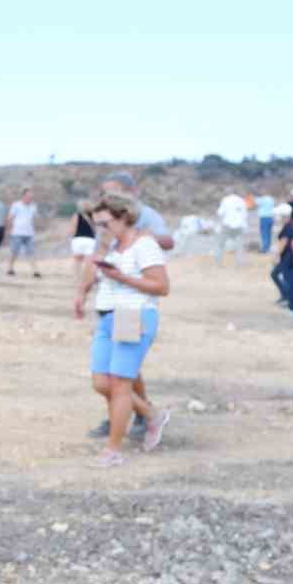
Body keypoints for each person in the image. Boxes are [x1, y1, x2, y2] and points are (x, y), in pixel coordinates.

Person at [73, 194, 172, 468]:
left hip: (133, 314)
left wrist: (123, 277)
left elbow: (161, 287)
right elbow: (92, 273)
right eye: (97, 225)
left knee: (120, 385)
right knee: (101, 383)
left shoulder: (145, 245)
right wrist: (82, 292)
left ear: (124, 217)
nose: (100, 230)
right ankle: (151, 414)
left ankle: (112, 451)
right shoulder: (111, 247)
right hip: (107, 316)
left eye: (105, 223)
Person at [270, 205, 293, 313]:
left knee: (284, 278)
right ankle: (287, 296)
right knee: (282, 277)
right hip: (290, 257)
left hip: (287, 258)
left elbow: (284, 242)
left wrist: (276, 256)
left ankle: (288, 298)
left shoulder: (289, 227)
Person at [6, 188, 40, 278]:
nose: (30, 198)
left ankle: (35, 271)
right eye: (28, 196)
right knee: (14, 251)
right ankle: (10, 268)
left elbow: (34, 219)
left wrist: (36, 228)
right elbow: (10, 217)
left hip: (29, 233)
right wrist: (9, 229)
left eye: (31, 196)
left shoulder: (33, 206)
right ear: (23, 196)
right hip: (17, 232)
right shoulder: (16, 205)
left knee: (31, 252)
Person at [215, 191, 248, 267]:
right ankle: (239, 263)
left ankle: (218, 262)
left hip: (227, 224)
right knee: (239, 245)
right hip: (239, 225)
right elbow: (245, 214)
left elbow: (220, 213)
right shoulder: (241, 200)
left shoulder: (225, 200)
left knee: (221, 244)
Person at [69, 201, 96, 286]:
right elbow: (96, 229)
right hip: (90, 240)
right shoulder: (94, 216)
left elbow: (73, 229)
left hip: (78, 240)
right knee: (88, 263)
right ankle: (87, 280)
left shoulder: (76, 215)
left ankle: (77, 280)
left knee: (77, 262)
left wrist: (71, 238)